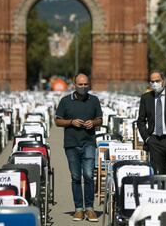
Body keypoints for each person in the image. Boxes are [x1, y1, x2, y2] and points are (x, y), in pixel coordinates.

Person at [55, 73, 103, 222]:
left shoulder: (94, 100)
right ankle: (78, 209)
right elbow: (57, 121)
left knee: (88, 175)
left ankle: (89, 208)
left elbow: (100, 119)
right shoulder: (65, 101)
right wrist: (71, 122)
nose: (83, 87)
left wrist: (93, 123)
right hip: (71, 144)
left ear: (88, 85)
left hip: (89, 142)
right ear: (74, 85)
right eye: (80, 84)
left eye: (85, 84)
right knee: (76, 177)